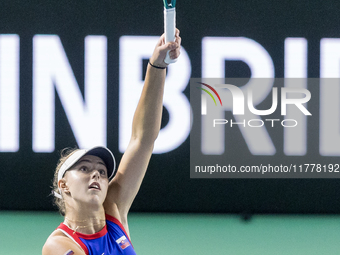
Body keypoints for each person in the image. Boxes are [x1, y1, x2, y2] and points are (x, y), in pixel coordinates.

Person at [42, 29, 181, 255]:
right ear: (63, 184)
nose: (96, 174)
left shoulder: (113, 210)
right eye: (84, 169)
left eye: (102, 172)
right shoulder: (59, 245)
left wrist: (156, 66)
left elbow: (142, 139)